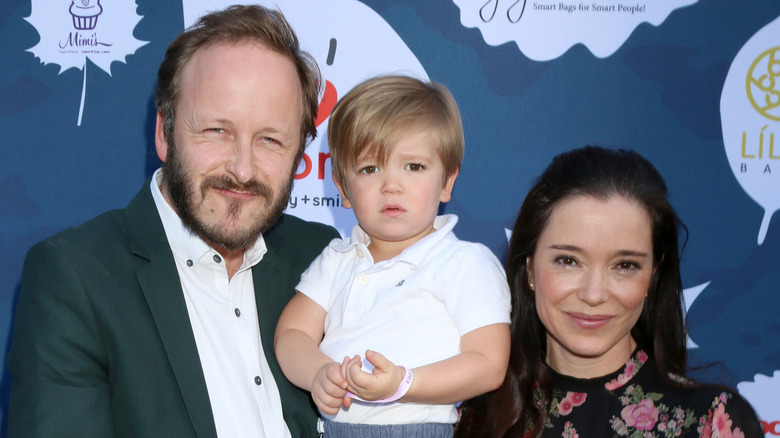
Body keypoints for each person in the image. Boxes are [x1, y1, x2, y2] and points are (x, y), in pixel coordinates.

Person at [7, 5, 339, 438]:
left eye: (270, 140)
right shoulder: (76, 278)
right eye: (217, 131)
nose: (242, 168)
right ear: (165, 133)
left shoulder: (321, 258)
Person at [456, 146, 763, 437]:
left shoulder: (711, 422)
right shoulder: (478, 419)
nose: (593, 294)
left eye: (625, 265)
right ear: (529, 271)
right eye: (568, 261)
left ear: (652, 277)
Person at [274, 75, 512, 437]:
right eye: (370, 169)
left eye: (413, 167)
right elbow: (291, 334)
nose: (391, 185)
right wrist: (319, 373)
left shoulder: (464, 263)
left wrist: (403, 383)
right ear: (343, 187)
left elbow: (488, 364)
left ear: (447, 180)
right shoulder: (337, 258)